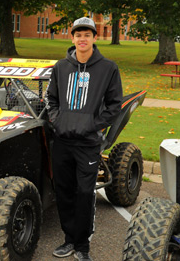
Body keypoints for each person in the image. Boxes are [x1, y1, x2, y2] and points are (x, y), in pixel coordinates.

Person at [46, 17, 122, 261]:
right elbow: (51, 100)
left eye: (87, 34)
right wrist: (59, 122)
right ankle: (69, 241)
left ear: (94, 38)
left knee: (85, 193)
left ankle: (82, 246)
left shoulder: (108, 68)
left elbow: (114, 106)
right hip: (63, 142)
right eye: (78, 34)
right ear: (72, 38)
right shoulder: (60, 67)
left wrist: (91, 125)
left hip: (88, 143)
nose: (82, 38)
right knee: (65, 191)